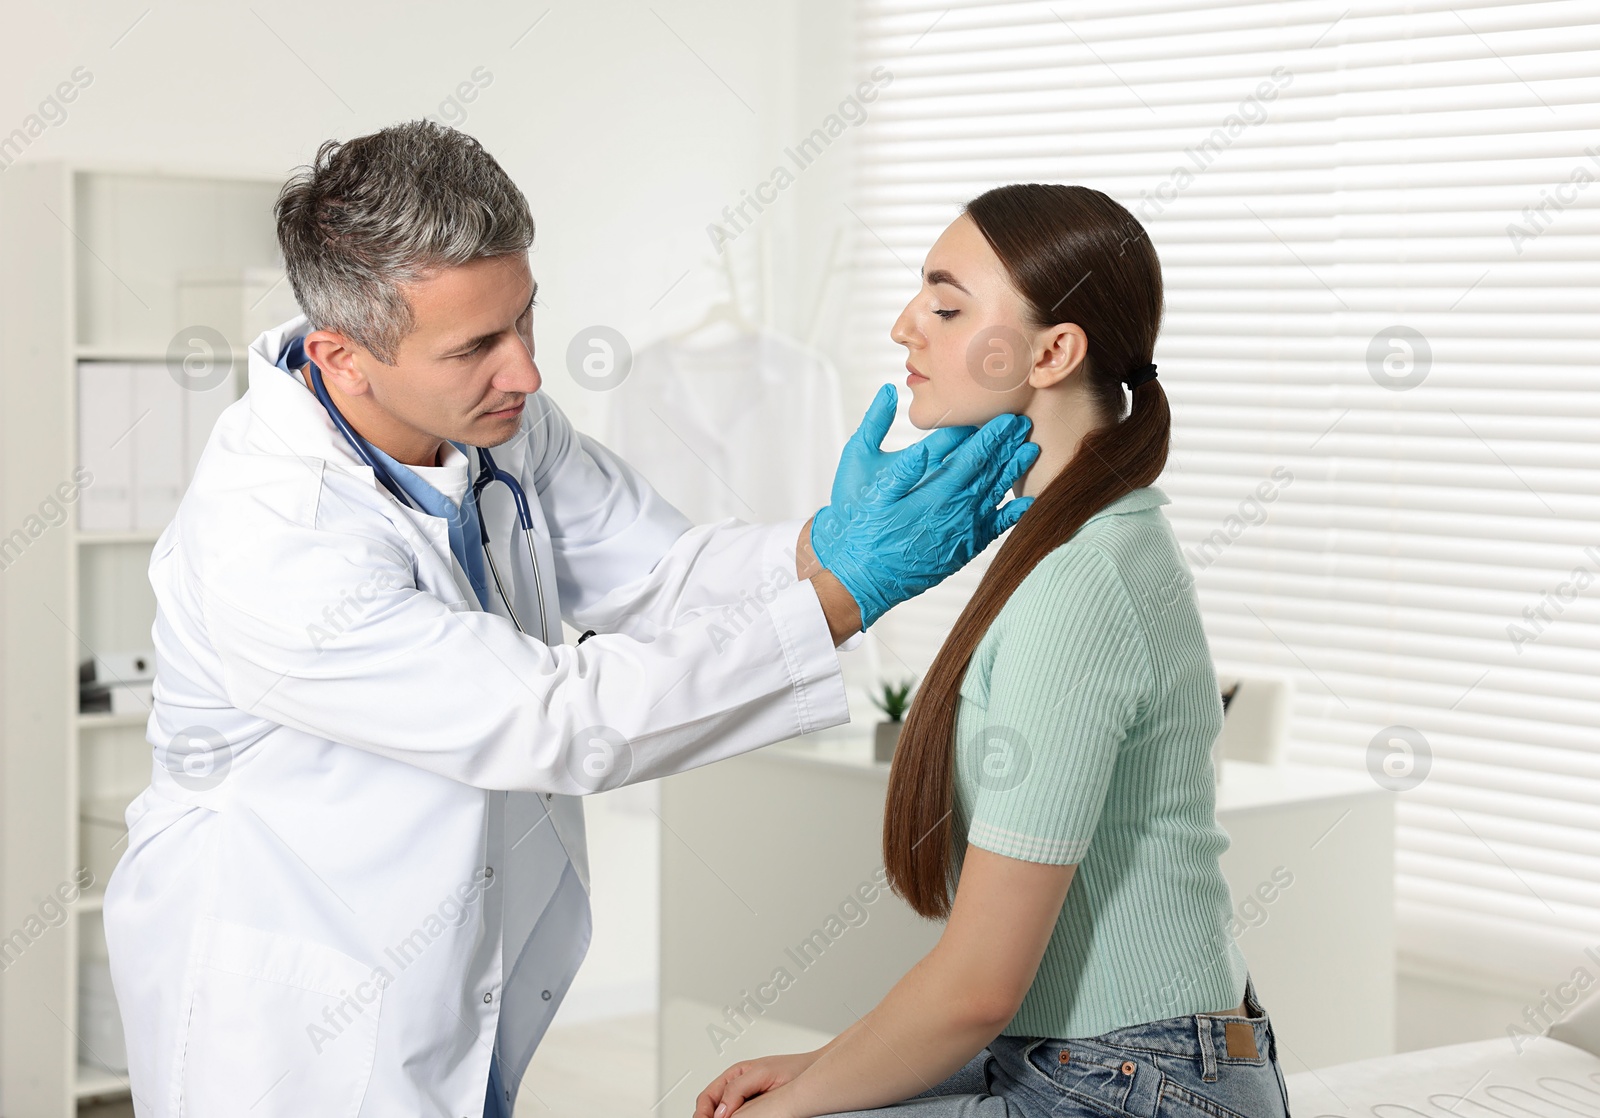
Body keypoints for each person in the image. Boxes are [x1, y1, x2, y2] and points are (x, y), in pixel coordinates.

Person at [101, 122, 1040, 1118]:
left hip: (448, 965)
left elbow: (665, 573)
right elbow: (554, 719)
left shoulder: (491, 420)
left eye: (524, 321)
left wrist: (826, 543)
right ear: (342, 356)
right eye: (476, 346)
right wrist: (848, 592)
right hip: (297, 1008)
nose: (527, 373)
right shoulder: (275, 535)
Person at [692, 183, 1293, 1118]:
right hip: (1096, 1058)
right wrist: (824, 1070)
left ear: (1053, 352)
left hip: (1138, 1079)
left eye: (945, 304)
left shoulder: (1083, 580)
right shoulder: (1082, 537)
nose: (905, 326)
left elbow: (976, 991)